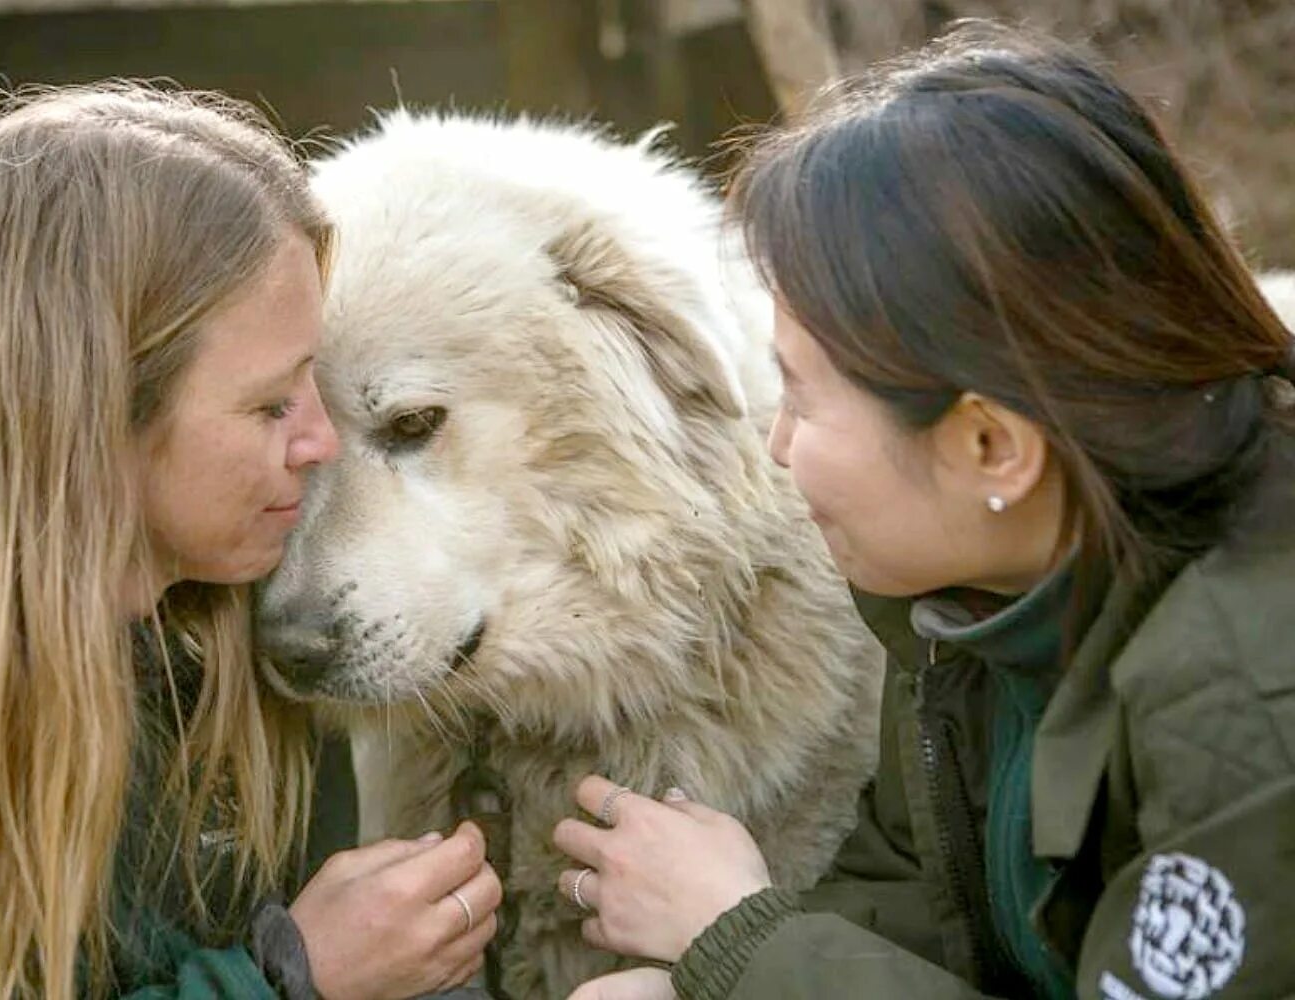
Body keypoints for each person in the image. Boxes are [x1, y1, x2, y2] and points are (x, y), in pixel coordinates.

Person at [0, 83, 499, 999]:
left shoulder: (252, 620)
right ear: (85, 413)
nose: (320, 443)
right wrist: (281, 982)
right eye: (271, 403)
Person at [551, 23, 1295, 1000]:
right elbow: (923, 904)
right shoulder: (975, 599)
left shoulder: (1246, 698)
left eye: (802, 394)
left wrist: (738, 933)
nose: (778, 445)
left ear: (990, 446)